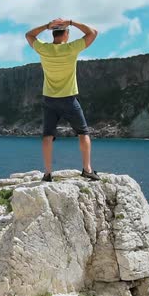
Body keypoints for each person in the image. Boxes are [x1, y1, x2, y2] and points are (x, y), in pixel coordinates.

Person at [25, 18, 100, 182]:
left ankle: (47, 173)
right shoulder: (71, 48)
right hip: (68, 99)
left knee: (48, 135)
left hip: (49, 99)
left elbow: (29, 35)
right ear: (66, 34)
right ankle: (87, 169)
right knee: (83, 133)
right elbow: (92, 32)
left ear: (53, 33)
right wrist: (71, 22)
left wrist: (45, 25)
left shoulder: (44, 49)